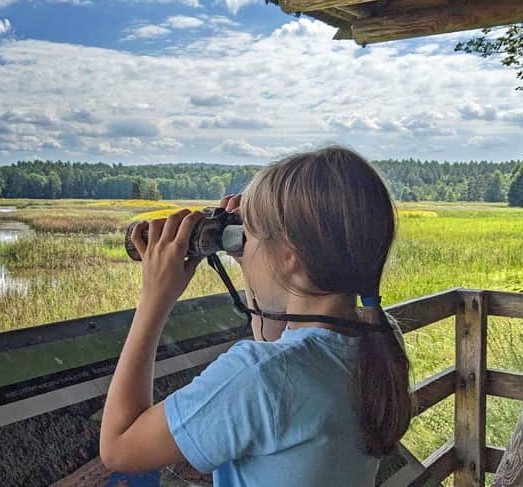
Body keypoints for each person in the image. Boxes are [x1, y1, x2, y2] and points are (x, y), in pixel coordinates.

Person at [99, 145, 412, 486]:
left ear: (290, 257)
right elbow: (277, 344)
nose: (243, 247)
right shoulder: (379, 336)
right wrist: (253, 258)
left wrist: (154, 298)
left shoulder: (260, 376)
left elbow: (119, 448)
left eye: (247, 237)